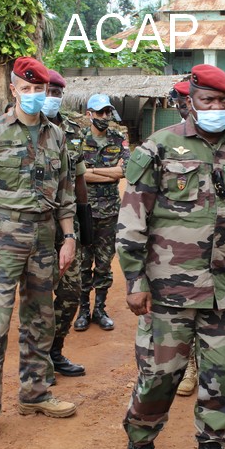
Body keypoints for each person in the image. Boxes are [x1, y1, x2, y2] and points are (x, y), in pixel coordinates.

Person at [116, 64, 225, 449]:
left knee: (223, 379)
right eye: (209, 101)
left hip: (224, 291)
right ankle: (140, 443)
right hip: (168, 291)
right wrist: (134, 280)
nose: (218, 109)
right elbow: (132, 220)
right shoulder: (158, 148)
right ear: (191, 102)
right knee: (160, 377)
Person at [0, 57, 77, 439]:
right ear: (13, 90)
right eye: (26, 89)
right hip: (4, 237)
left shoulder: (57, 136)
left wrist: (70, 237)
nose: (33, 96)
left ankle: (35, 393)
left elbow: (64, 194)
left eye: (38, 90)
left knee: (40, 321)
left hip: (45, 238)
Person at [43, 69, 89, 380]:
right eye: (45, 91)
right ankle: (38, 361)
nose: (50, 98)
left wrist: (85, 219)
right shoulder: (13, 128)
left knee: (72, 291)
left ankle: (55, 351)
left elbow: (80, 177)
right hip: (34, 229)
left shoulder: (73, 131)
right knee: (39, 295)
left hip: (69, 224)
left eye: (55, 93)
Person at [73, 94, 129, 332]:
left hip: (110, 213)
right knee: (84, 265)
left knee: (104, 265)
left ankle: (100, 309)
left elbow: (123, 172)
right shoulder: (77, 141)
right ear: (89, 115)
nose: (104, 117)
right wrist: (107, 171)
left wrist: (91, 170)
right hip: (83, 212)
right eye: (99, 113)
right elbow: (79, 174)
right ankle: (83, 310)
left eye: (107, 112)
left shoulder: (118, 138)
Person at [169, 81, 198, 396]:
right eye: (178, 100)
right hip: (177, 247)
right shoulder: (166, 143)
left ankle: (209, 370)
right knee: (183, 314)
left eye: (187, 100)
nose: (183, 104)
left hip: (214, 248)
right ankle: (189, 370)